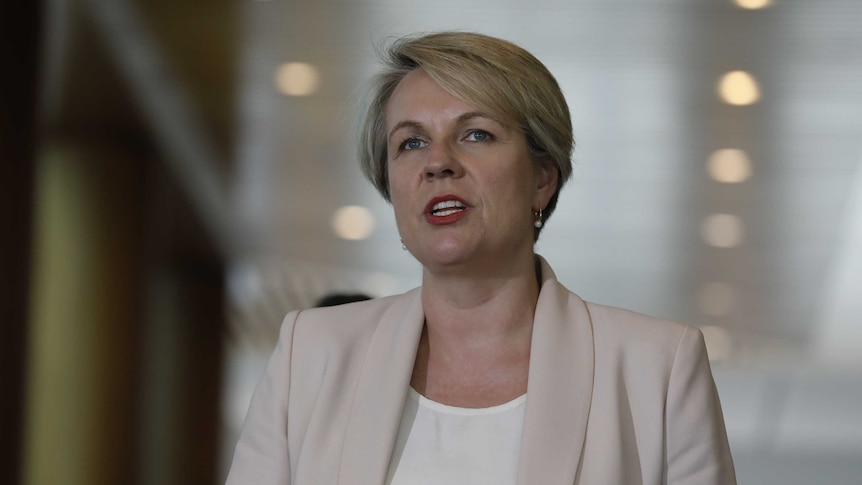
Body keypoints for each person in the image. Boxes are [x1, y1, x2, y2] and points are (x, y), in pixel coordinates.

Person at [225, 31, 736, 485]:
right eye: (411, 142)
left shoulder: (657, 367)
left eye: (476, 134)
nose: (438, 162)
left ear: (542, 177)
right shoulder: (310, 354)